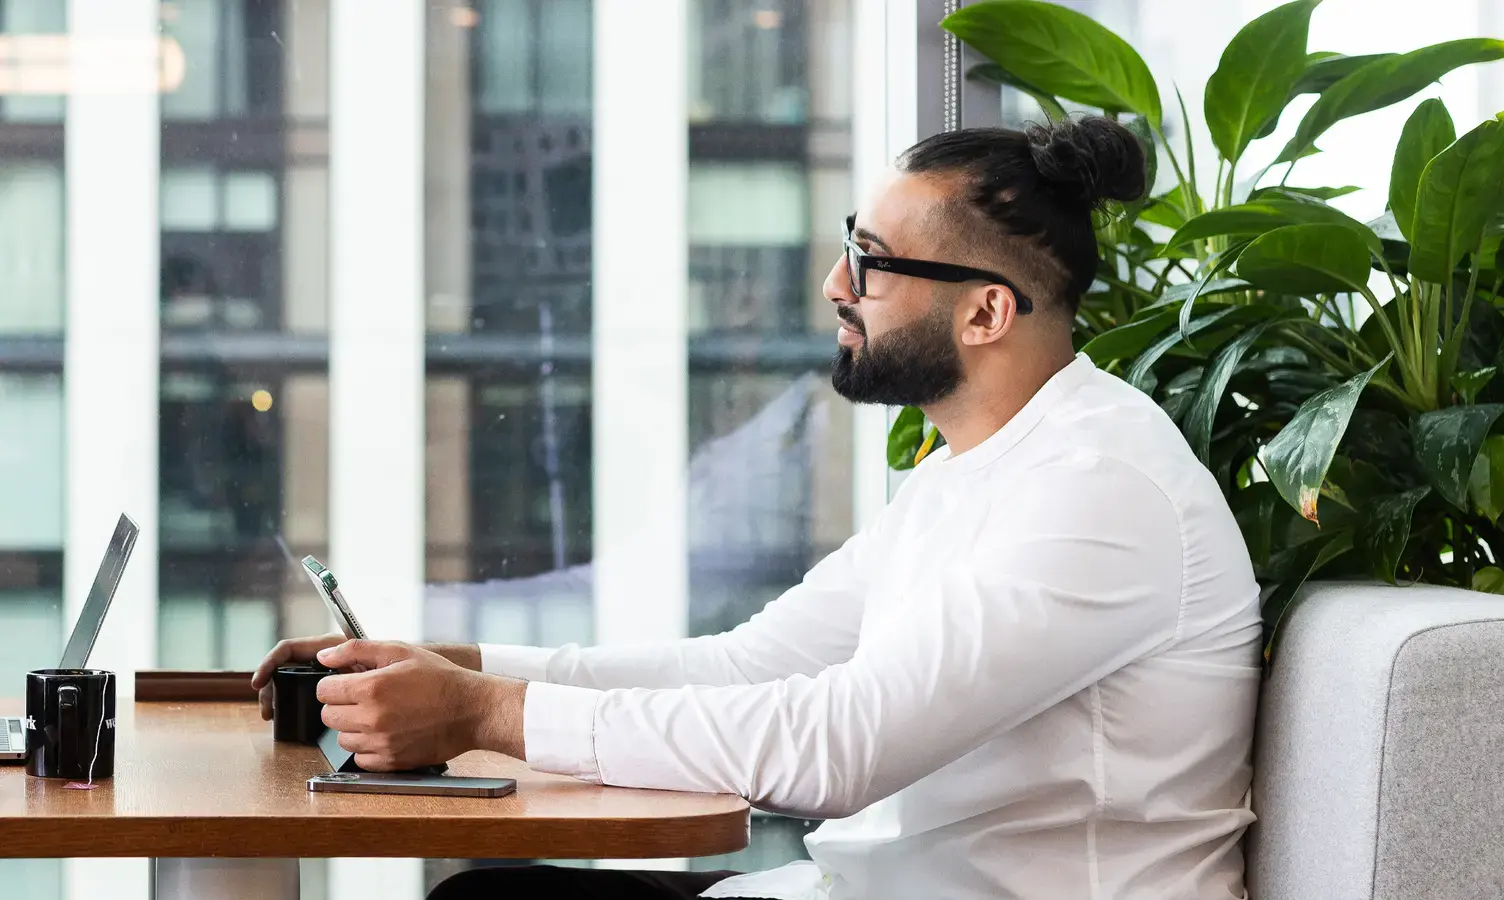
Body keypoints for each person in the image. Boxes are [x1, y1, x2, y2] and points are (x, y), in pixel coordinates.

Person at [254, 116, 1262, 900]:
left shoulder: (1102, 489)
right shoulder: (971, 470)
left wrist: (484, 716)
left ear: (986, 311)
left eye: (870, 259)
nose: (836, 283)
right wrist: (451, 670)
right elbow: (751, 662)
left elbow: (839, 747)